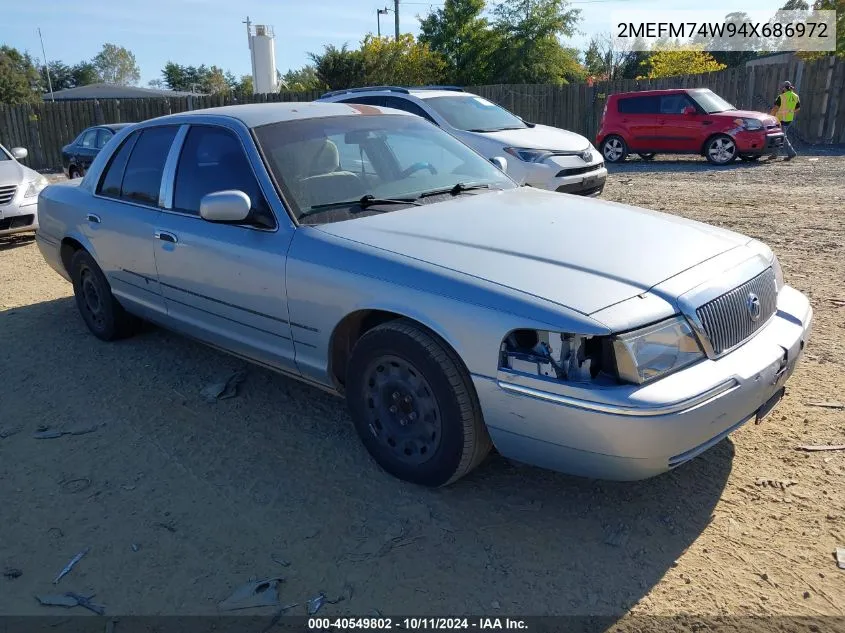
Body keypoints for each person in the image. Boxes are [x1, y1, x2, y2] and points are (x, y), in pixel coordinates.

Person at [769, 80, 800, 161]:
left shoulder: (781, 97)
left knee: (782, 137)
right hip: (789, 120)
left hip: (780, 119)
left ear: (784, 88)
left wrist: (770, 117)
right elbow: (797, 108)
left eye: (782, 87)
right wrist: (790, 112)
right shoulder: (795, 96)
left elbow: (775, 108)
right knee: (778, 136)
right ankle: (774, 154)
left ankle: (791, 153)